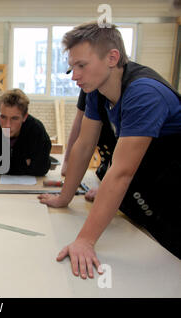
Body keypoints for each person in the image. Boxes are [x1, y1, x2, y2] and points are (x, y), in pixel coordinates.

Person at [39, 21, 181, 279]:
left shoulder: (144, 93)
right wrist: (64, 197)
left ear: (112, 58)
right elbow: (84, 146)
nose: (74, 76)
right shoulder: (98, 90)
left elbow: (122, 172)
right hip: (152, 178)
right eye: (72, 67)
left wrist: (85, 240)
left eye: (82, 65)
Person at [0, 89, 52, 176]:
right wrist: (26, 162)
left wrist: (6, 163)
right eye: (3, 117)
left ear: (24, 117)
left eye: (14, 118)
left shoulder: (37, 130)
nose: (7, 125)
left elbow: (42, 168)